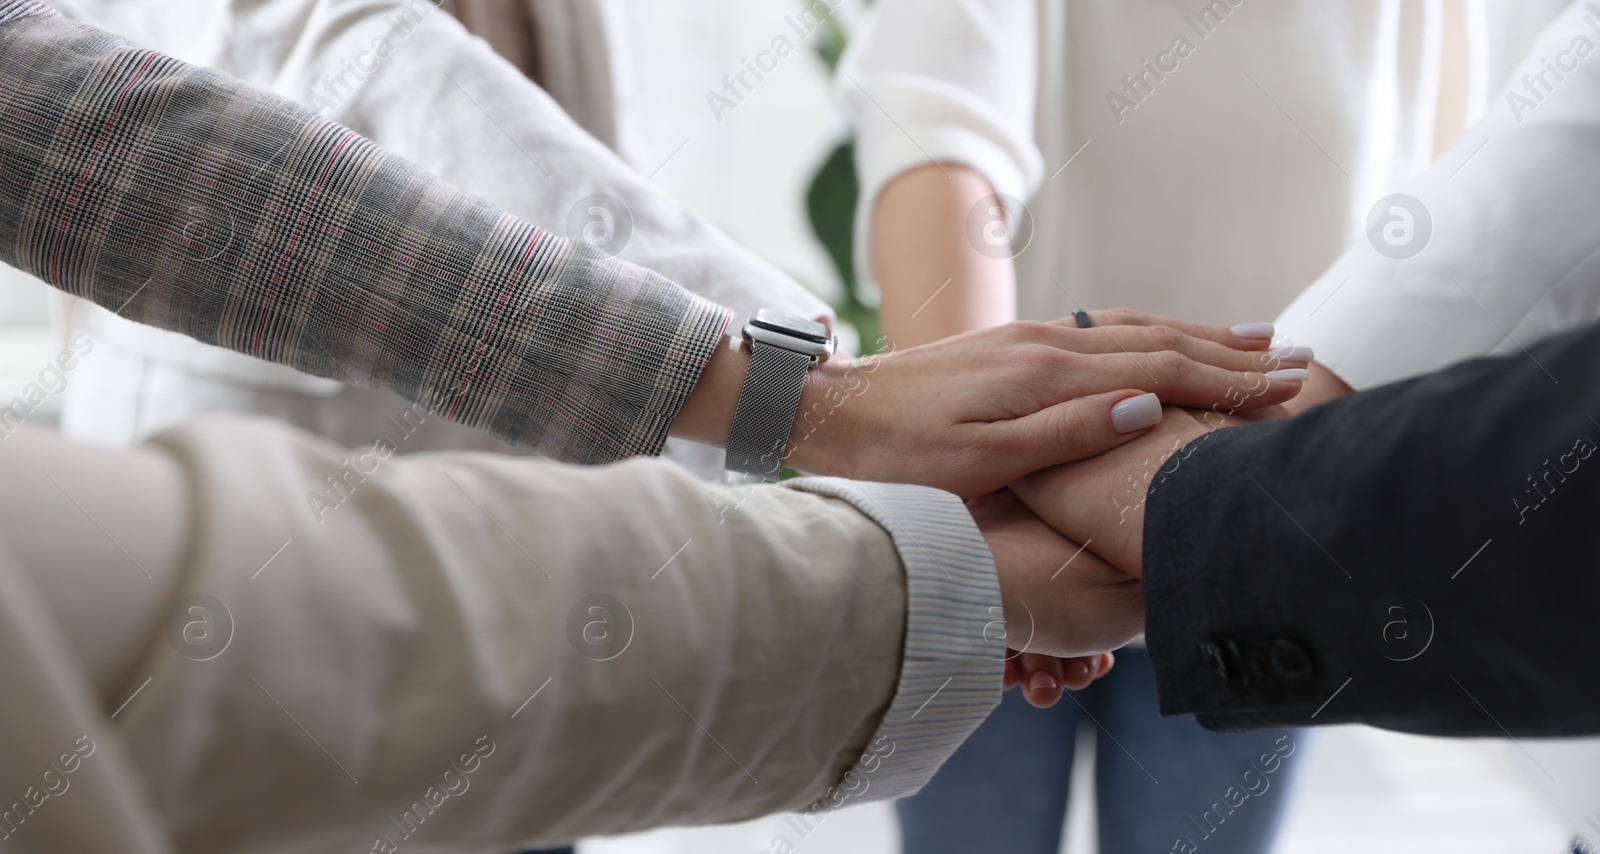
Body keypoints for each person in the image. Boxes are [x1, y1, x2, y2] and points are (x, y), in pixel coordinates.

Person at [0, 3, 1286, 849]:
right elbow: (332, 76)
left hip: (551, 507)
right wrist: (833, 393)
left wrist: (836, 405)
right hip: (289, 527)